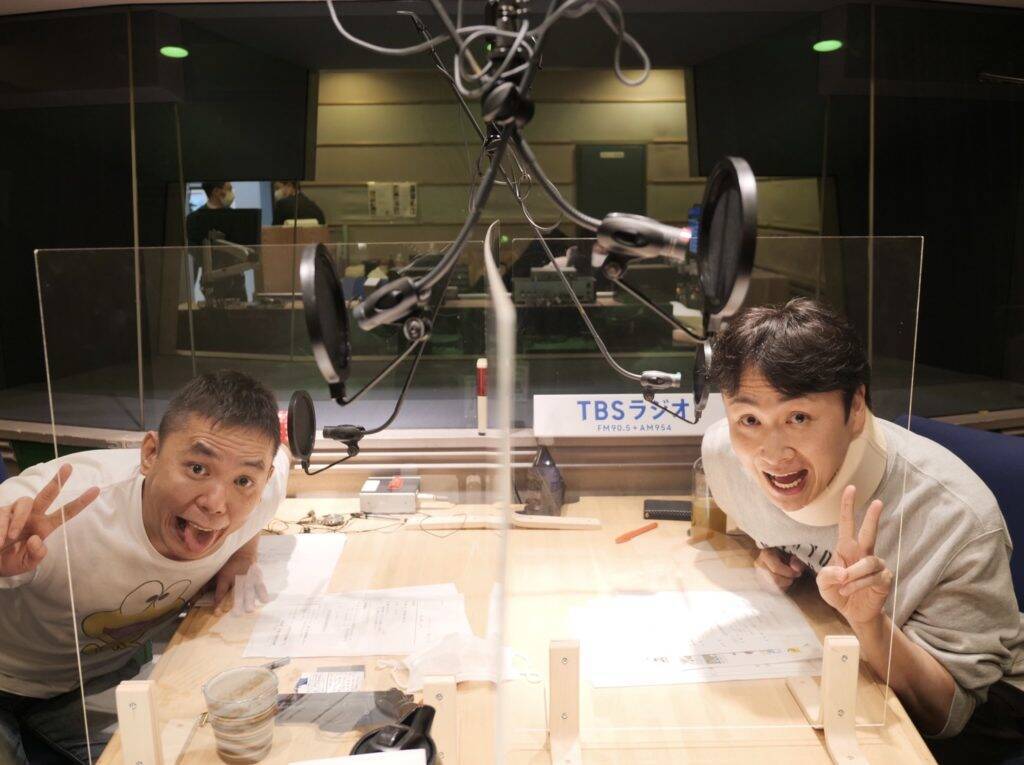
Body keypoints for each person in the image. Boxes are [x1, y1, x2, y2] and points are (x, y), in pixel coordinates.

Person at [700, 297, 1024, 762]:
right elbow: (772, 526)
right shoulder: (727, 458)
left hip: (983, 706)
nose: (773, 453)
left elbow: (946, 714)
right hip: (845, 658)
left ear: (855, 409)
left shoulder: (957, 519)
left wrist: (868, 620)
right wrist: (775, 553)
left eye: (798, 418)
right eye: (749, 419)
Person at [0, 370, 289, 764]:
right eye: (198, 469)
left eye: (242, 480)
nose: (216, 504)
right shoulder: (60, 506)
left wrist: (242, 555)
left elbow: (281, 463)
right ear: (150, 453)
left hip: (95, 684)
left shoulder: (260, 493)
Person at [185, 181, 247, 301]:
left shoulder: (236, 217)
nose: (231, 193)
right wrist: (188, 295)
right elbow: (193, 257)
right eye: (229, 189)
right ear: (216, 192)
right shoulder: (194, 219)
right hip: (211, 282)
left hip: (237, 282)